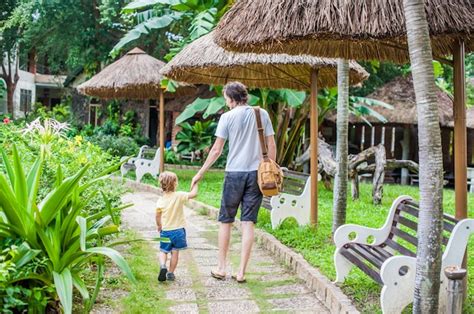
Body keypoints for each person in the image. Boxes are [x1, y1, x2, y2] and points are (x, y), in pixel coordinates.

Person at [191, 81, 276, 283]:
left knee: (226, 221)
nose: (226, 102)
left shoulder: (227, 117)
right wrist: (269, 168)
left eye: (225, 99)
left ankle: (221, 268)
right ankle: (241, 272)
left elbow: (216, 150)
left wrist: (200, 173)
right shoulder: (261, 113)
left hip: (234, 174)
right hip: (256, 175)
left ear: (230, 98)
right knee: (248, 223)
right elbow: (271, 144)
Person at [156, 171, 198, 282]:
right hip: (179, 231)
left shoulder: (160, 200)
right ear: (175, 184)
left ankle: (162, 265)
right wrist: (195, 183)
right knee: (175, 252)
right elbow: (194, 194)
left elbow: (157, 215)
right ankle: (170, 273)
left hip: (166, 231)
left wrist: (159, 225)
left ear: (161, 185)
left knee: (163, 251)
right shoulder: (179, 195)